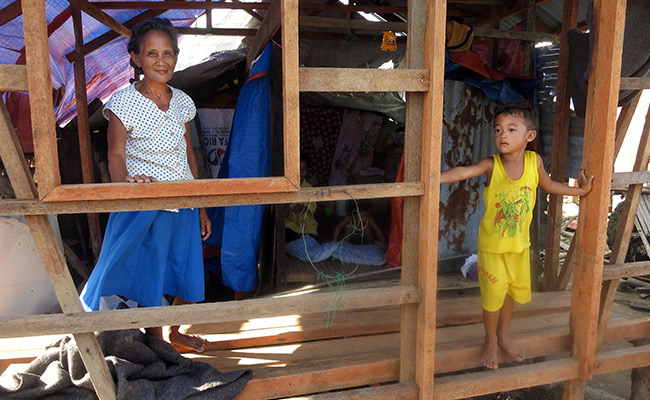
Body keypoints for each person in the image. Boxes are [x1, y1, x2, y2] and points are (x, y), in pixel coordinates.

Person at [80, 18, 211, 353]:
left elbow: (189, 155)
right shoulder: (122, 103)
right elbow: (115, 154)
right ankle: (157, 346)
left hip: (183, 201)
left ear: (176, 57)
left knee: (189, 275)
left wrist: (201, 206)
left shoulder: (182, 101)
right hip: (145, 204)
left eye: (168, 53)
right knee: (148, 276)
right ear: (137, 58)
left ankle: (174, 333)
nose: (161, 60)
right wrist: (127, 183)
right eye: (151, 53)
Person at [439, 104, 594, 370]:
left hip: (520, 247)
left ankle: (503, 335)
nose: (503, 135)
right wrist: (432, 177)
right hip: (492, 248)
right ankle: (489, 339)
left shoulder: (535, 162)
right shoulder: (491, 164)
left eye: (511, 129)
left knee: (509, 293)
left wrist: (581, 192)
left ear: (529, 137)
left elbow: (549, 185)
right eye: (498, 129)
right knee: (493, 296)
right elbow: (464, 172)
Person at [285, 153, 318, 243]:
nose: (300, 172)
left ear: (308, 171)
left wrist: (303, 208)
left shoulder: (310, 189)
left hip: (308, 226)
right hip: (291, 225)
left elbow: (312, 209)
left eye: (304, 169)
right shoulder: (286, 188)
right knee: (285, 237)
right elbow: (283, 212)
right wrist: (286, 209)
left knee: (310, 242)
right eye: (298, 169)